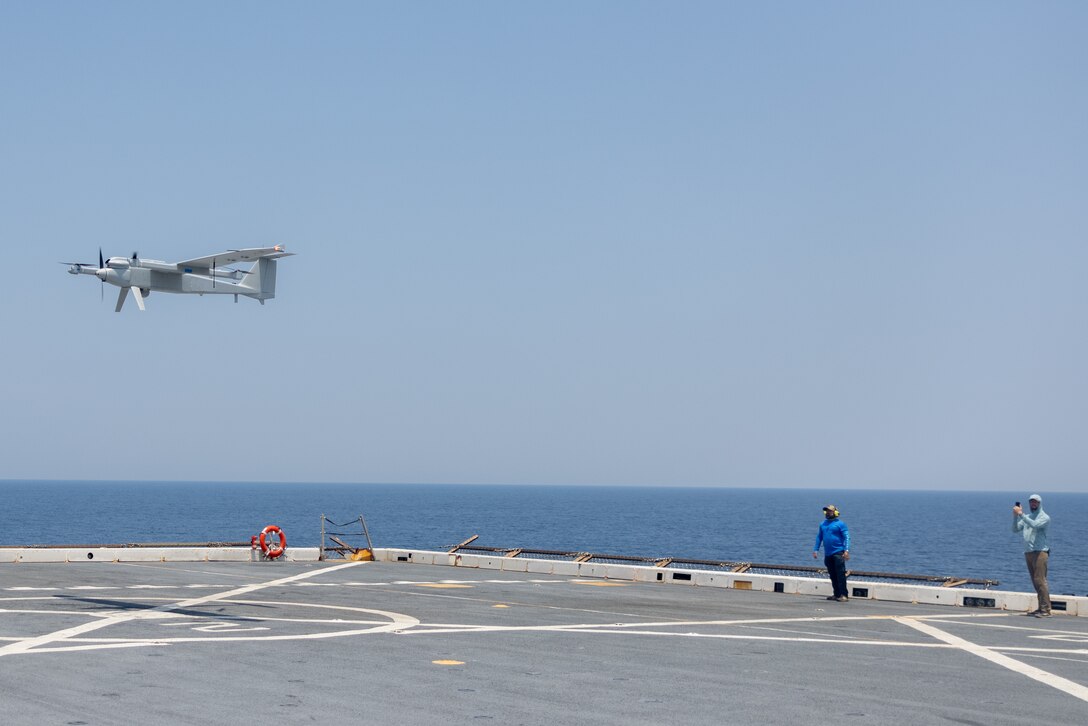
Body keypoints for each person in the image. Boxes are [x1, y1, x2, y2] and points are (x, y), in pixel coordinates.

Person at [1013, 494, 1051, 617]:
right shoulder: (1027, 517)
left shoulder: (1045, 517)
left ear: (1040, 503)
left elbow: (1035, 525)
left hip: (1040, 552)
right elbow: (1015, 529)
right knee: (1035, 581)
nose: (1033, 504)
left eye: (1035, 502)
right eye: (1031, 502)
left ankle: (1046, 609)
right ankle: (1041, 607)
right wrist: (1015, 517)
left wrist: (1020, 515)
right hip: (1028, 552)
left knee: (1040, 580)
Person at [813, 504, 850, 602]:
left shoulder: (840, 524)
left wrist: (846, 550)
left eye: (830, 511)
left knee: (840, 574)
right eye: (827, 511)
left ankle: (844, 595)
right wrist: (816, 549)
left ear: (835, 512)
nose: (828, 513)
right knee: (832, 575)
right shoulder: (823, 524)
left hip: (838, 552)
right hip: (828, 554)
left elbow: (847, 537)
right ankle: (836, 594)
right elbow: (819, 537)